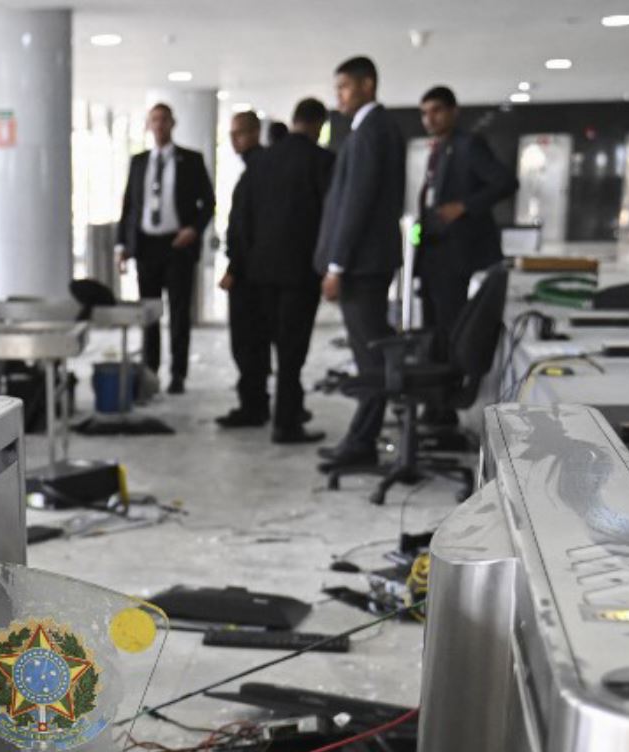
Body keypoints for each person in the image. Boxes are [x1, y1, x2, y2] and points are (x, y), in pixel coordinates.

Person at [221, 97, 335, 442]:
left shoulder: (262, 162)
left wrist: (238, 264)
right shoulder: (323, 161)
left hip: (261, 273)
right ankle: (286, 423)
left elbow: (241, 220)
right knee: (292, 351)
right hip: (301, 273)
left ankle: (275, 410)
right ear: (318, 125)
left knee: (265, 345)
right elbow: (331, 218)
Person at [314, 56, 406, 472]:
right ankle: (360, 436)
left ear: (368, 85)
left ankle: (361, 442)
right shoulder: (374, 129)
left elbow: (356, 205)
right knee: (368, 355)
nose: (339, 97)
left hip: (361, 265)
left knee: (370, 358)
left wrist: (336, 266)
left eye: (344, 88)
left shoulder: (370, 132)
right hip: (367, 262)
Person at [414, 84, 517, 425]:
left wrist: (464, 206)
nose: (430, 118)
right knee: (433, 331)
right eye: (425, 112)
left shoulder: (468, 145)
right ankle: (433, 402)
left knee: (449, 330)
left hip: (456, 256)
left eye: (437, 111)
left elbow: (504, 181)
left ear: (453, 111)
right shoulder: (438, 149)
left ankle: (445, 407)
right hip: (433, 255)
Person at [118, 103, 214, 395]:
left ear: (173, 123)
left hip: (177, 246)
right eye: (154, 120)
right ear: (148, 125)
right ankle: (151, 371)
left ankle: (178, 374)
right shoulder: (139, 162)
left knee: (179, 312)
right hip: (146, 246)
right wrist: (122, 245)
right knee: (148, 312)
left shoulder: (191, 160)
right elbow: (129, 206)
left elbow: (208, 203)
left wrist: (194, 229)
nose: (159, 125)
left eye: (164, 120)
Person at [219, 109, 268, 425]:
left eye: (239, 133)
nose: (234, 140)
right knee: (253, 344)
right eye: (232, 134)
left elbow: (247, 229)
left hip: (251, 274)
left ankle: (253, 406)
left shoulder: (258, 172)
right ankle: (255, 402)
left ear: (254, 133)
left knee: (248, 342)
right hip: (257, 270)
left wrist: (234, 269)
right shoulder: (256, 169)